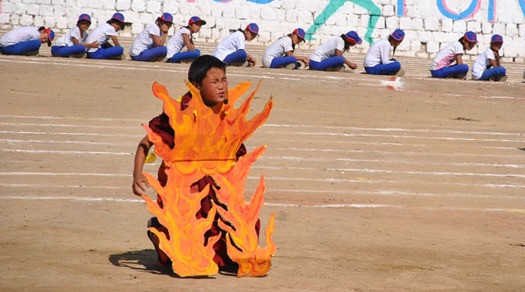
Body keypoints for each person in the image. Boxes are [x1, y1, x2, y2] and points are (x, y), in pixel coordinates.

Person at [132, 55, 256, 274]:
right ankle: (157, 229)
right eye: (215, 81)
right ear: (196, 86)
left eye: (224, 80)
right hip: (185, 190)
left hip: (217, 189)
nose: (222, 87)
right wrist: (137, 174)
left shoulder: (226, 113)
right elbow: (145, 143)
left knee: (233, 256)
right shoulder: (179, 113)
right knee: (183, 258)